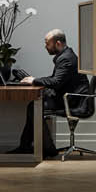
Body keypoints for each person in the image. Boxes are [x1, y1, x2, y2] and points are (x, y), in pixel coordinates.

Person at [11, 28, 84, 156]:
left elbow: (56, 82)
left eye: (47, 43)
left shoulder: (66, 59)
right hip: (67, 97)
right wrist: (35, 80)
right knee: (33, 106)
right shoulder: (66, 55)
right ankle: (29, 146)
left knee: (34, 107)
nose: (45, 47)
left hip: (71, 100)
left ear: (58, 44)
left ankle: (45, 149)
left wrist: (35, 81)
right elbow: (56, 79)